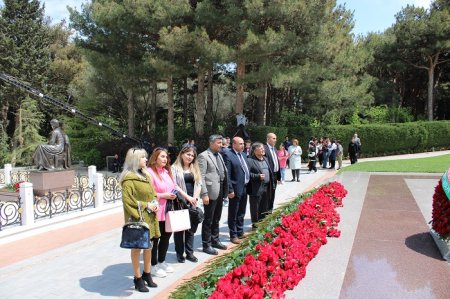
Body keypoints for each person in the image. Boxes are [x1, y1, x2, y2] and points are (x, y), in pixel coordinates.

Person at [119, 148, 160, 292]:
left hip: (150, 216)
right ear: (135, 160)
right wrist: (145, 205)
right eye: (143, 157)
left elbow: (153, 193)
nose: (145, 160)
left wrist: (154, 203)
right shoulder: (128, 179)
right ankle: (137, 278)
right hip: (138, 219)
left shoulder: (146, 175)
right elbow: (128, 201)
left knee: (149, 246)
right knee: (137, 248)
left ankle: (147, 274)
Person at [147, 148, 177, 278]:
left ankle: (161, 261)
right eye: (162, 157)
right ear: (155, 158)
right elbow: (148, 193)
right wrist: (163, 195)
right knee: (155, 238)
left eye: (166, 157)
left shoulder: (166, 172)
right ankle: (153, 265)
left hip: (169, 209)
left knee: (166, 236)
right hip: (156, 211)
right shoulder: (149, 173)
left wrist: (174, 194)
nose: (165, 159)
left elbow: (174, 187)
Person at [198, 134, 228, 255]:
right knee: (208, 219)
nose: (221, 145)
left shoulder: (219, 155)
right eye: (219, 143)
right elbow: (201, 176)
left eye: (221, 143)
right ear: (211, 143)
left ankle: (215, 240)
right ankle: (206, 244)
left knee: (217, 217)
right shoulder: (203, 156)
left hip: (219, 189)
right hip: (210, 192)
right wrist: (204, 193)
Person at [171, 146, 202, 263]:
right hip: (180, 202)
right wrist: (187, 197)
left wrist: (195, 198)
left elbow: (199, 183)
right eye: (188, 154)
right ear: (182, 154)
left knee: (191, 229)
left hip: (192, 202)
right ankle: (179, 253)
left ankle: (190, 253)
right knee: (180, 230)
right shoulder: (174, 168)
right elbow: (174, 186)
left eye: (192, 155)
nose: (190, 157)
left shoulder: (195, 168)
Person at [222, 137, 250, 244]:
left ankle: (240, 231)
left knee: (241, 211)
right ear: (233, 144)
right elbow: (227, 174)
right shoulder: (228, 155)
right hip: (235, 189)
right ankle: (233, 235)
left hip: (245, 187)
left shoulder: (243, 154)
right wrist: (230, 190)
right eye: (240, 144)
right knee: (233, 213)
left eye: (243, 143)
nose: (243, 145)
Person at [247, 142, 272, 227]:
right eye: (260, 148)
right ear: (254, 150)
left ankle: (263, 223)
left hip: (266, 187)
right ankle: (255, 224)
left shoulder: (265, 158)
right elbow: (247, 174)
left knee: (264, 207)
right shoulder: (250, 160)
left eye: (263, 148)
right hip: (256, 188)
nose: (263, 150)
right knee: (255, 208)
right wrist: (257, 176)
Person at [263, 133, 281, 212]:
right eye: (273, 138)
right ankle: (265, 211)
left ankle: (270, 210)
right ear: (268, 139)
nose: (275, 140)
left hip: (275, 175)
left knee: (272, 194)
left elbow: (276, 162)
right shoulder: (264, 148)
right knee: (267, 195)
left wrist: (279, 176)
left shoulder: (275, 149)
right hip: (268, 175)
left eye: (275, 138)